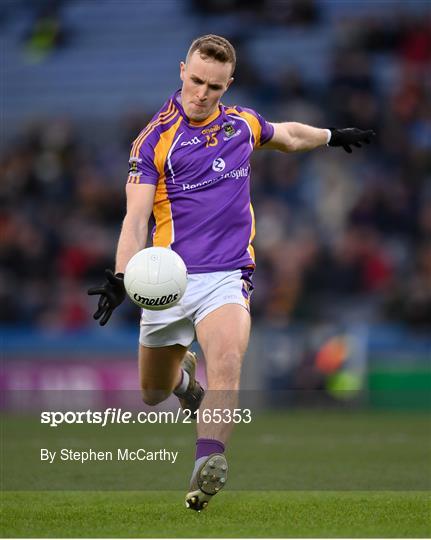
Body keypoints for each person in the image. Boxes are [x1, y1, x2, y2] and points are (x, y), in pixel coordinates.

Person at [88, 34, 374, 511]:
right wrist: (121, 278)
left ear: (229, 84)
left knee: (228, 358)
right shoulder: (154, 139)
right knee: (153, 392)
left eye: (214, 86)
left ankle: (209, 461)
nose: (202, 93)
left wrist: (332, 136)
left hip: (226, 275)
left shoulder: (241, 125)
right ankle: (184, 382)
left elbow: (287, 135)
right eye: (196, 80)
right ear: (182, 70)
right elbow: (135, 217)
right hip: (167, 281)